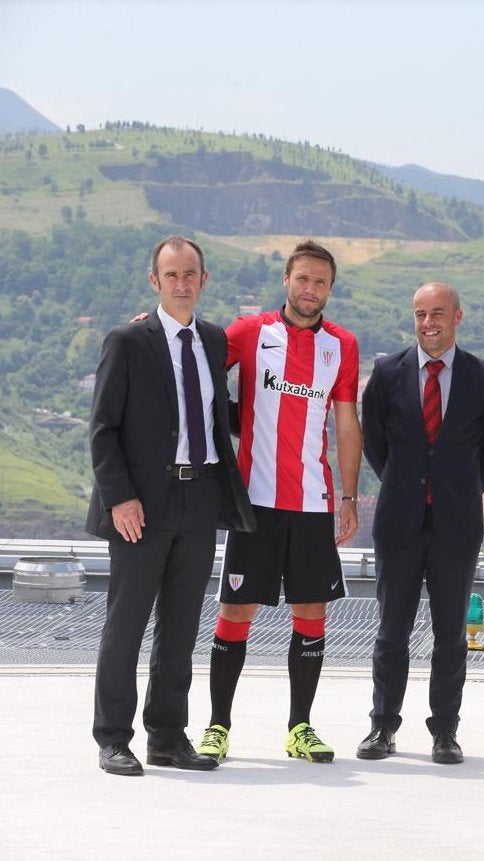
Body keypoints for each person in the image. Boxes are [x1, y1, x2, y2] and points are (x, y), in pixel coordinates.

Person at [88, 236, 255, 776]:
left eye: (191, 275)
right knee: (127, 624)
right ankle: (113, 737)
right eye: (172, 275)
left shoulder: (211, 340)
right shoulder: (128, 340)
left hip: (200, 499)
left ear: (204, 281)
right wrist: (120, 499)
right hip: (141, 505)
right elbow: (103, 429)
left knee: (181, 626)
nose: (183, 284)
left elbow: (214, 412)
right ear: (154, 281)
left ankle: (166, 736)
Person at [196, 240, 362, 764]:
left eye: (320, 282)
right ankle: (218, 726)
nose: (310, 289)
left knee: (311, 611)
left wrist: (351, 496)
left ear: (330, 289)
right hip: (255, 504)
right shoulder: (250, 332)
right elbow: (192, 366)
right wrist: (146, 332)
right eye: (302, 278)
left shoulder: (342, 345)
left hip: (313, 502)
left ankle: (300, 728)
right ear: (286, 280)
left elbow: (346, 423)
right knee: (236, 610)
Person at [356, 282, 484, 764]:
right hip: (398, 521)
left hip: (456, 524)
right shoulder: (385, 372)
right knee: (391, 631)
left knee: (450, 635)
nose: (429, 323)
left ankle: (445, 731)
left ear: (458, 317)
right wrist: (407, 485)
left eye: (438, 313)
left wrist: (455, 491)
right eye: (420, 313)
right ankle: (383, 727)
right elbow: (375, 445)